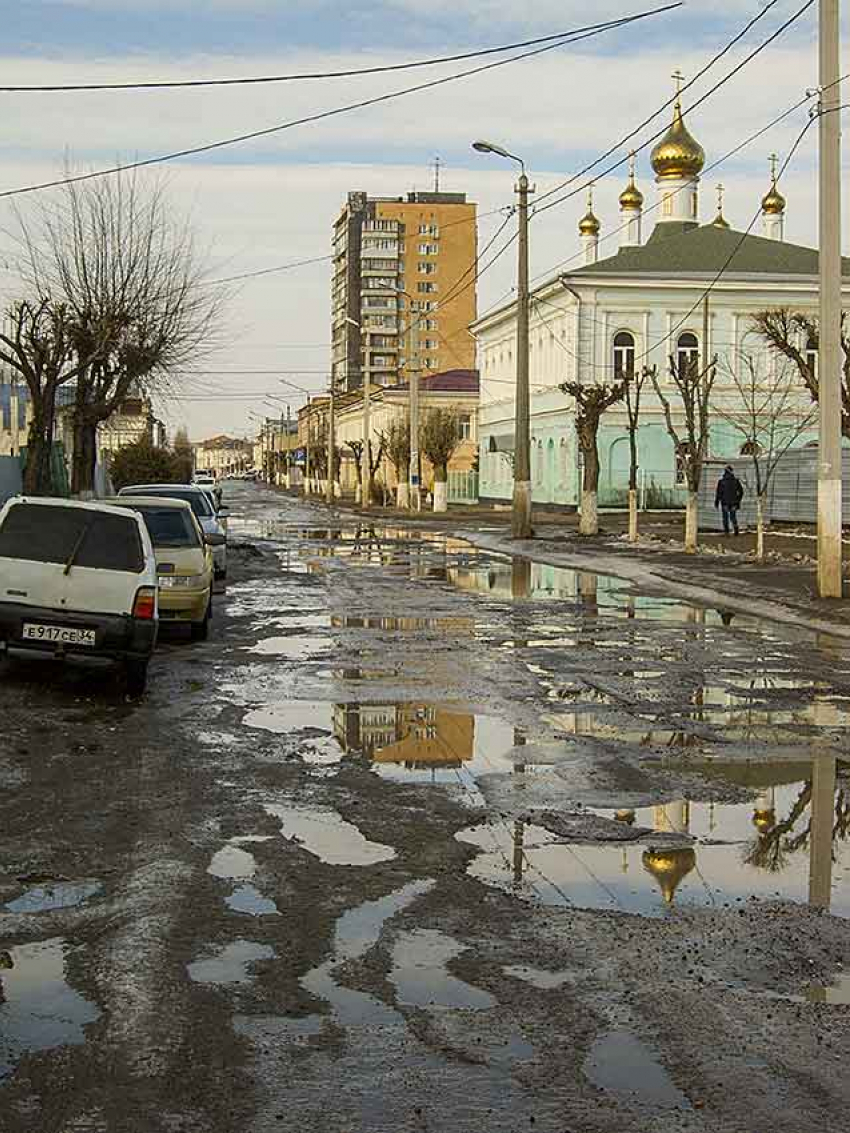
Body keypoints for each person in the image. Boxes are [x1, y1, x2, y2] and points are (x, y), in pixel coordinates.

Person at [714, 465, 744, 535]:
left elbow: (718, 493)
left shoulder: (721, 482)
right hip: (734, 502)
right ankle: (736, 530)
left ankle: (726, 532)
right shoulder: (736, 481)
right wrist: (738, 500)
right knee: (733, 517)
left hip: (724, 502)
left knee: (725, 518)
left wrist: (717, 502)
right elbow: (741, 492)